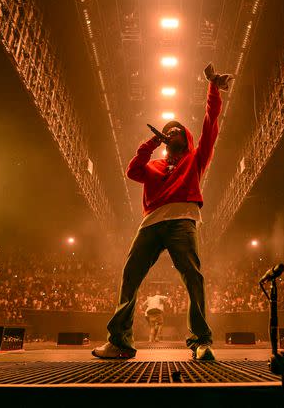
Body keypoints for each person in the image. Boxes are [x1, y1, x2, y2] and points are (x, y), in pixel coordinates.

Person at [93, 63, 233, 360]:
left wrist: (213, 89)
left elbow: (211, 122)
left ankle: (201, 341)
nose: (171, 132)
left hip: (183, 220)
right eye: (167, 130)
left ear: (186, 137)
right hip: (151, 223)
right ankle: (120, 341)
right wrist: (151, 143)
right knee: (131, 275)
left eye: (177, 130)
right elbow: (132, 171)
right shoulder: (154, 165)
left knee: (193, 277)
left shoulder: (195, 159)